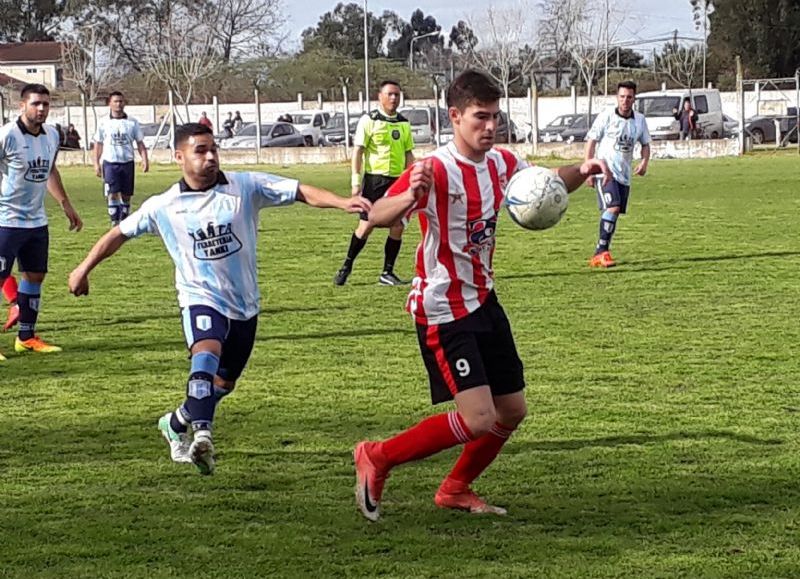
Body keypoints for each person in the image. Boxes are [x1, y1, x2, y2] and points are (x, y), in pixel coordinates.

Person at [352, 70, 610, 521]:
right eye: (480, 117)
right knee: (476, 417)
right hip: (442, 307)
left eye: (495, 117)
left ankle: (455, 488)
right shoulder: (432, 169)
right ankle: (377, 455)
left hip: (484, 298)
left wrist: (581, 170)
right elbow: (376, 215)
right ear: (454, 116)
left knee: (511, 410)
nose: (489, 127)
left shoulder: (503, 164)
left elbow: (546, 184)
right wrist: (410, 196)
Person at [68, 123, 371, 475]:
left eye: (214, 149)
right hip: (199, 297)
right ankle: (202, 436)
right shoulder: (164, 205)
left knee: (224, 384)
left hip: (245, 304)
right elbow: (118, 234)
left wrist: (341, 202)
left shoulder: (243, 186)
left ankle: (177, 422)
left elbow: (298, 190)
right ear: (179, 156)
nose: (210, 156)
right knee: (205, 352)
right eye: (200, 150)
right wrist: (82, 269)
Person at [0, 83, 83, 361]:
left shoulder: (51, 135)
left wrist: (65, 203)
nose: (41, 109)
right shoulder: (7, 135)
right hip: (5, 220)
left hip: (36, 220)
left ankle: (26, 337)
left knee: (34, 276)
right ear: (21, 105)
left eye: (45, 104)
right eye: (36, 104)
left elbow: (50, 170)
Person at [333, 80, 414, 286]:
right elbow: (358, 152)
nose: (394, 98)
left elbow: (408, 153)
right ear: (380, 97)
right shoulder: (369, 121)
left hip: (398, 182)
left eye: (397, 94)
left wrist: (411, 178)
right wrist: (355, 181)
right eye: (389, 94)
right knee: (366, 225)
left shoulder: (403, 123)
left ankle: (387, 272)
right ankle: (346, 266)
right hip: (374, 180)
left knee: (398, 226)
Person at [585, 80, 651, 268]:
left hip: (624, 174)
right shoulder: (606, 115)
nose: (625, 100)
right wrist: (589, 168)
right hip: (604, 172)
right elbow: (591, 141)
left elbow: (645, 144)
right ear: (617, 98)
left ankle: (601, 250)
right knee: (613, 207)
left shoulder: (639, 120)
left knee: (613, 213)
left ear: (634, 99)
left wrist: (644, 161)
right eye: (622, 97)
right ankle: (601, 252)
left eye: (629, 97)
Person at [93, 91, 150, 226]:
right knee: (112, 193)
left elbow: (140, 142)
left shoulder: (132, 122)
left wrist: (145, 159)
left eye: (121, 101)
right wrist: (96, 163)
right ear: (109, 104)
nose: (119, 104)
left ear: (124, 103)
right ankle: (114, 222)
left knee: (126, 195)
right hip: (110, 164)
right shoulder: (103, 122)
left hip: (127, 163)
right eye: (116, 101)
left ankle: (124, 220)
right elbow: (98, 143)